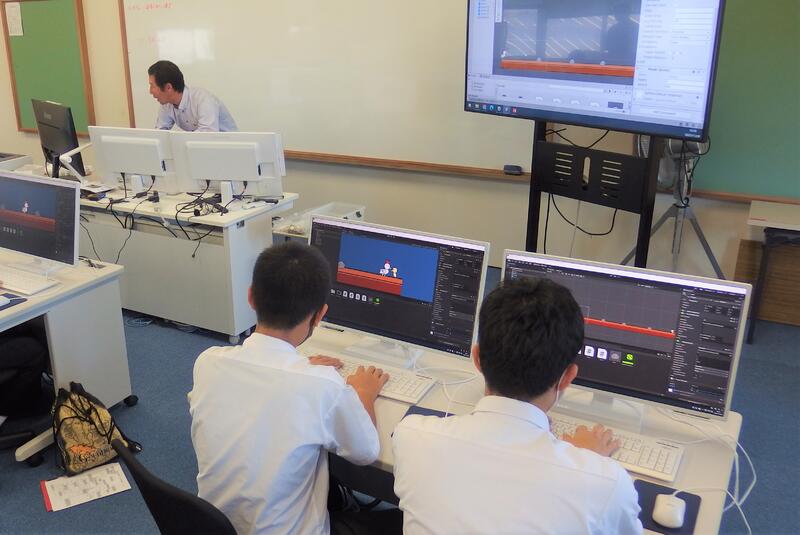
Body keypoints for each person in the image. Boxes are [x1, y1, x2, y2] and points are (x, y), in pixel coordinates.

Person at [392, 278, 642, 534]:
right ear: (568, 377)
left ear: (477, 359)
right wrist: (587, 465)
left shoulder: (411, 435)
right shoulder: (609, 485)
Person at [188, 242, 389, 535]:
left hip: (216, 527)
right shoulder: (323, 385)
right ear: (320, 315)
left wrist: (301, 367)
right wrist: (364, 393)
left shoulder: (208, 362)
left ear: (250, 297)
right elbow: (365, 452)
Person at [148, 60, 238, 132]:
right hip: (202, 147)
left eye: (152, 86)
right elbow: (160, 134)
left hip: (228, 147)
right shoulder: (167, 104)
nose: (150, 92)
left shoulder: (203, 100)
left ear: (168, 87)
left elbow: (207, 136)